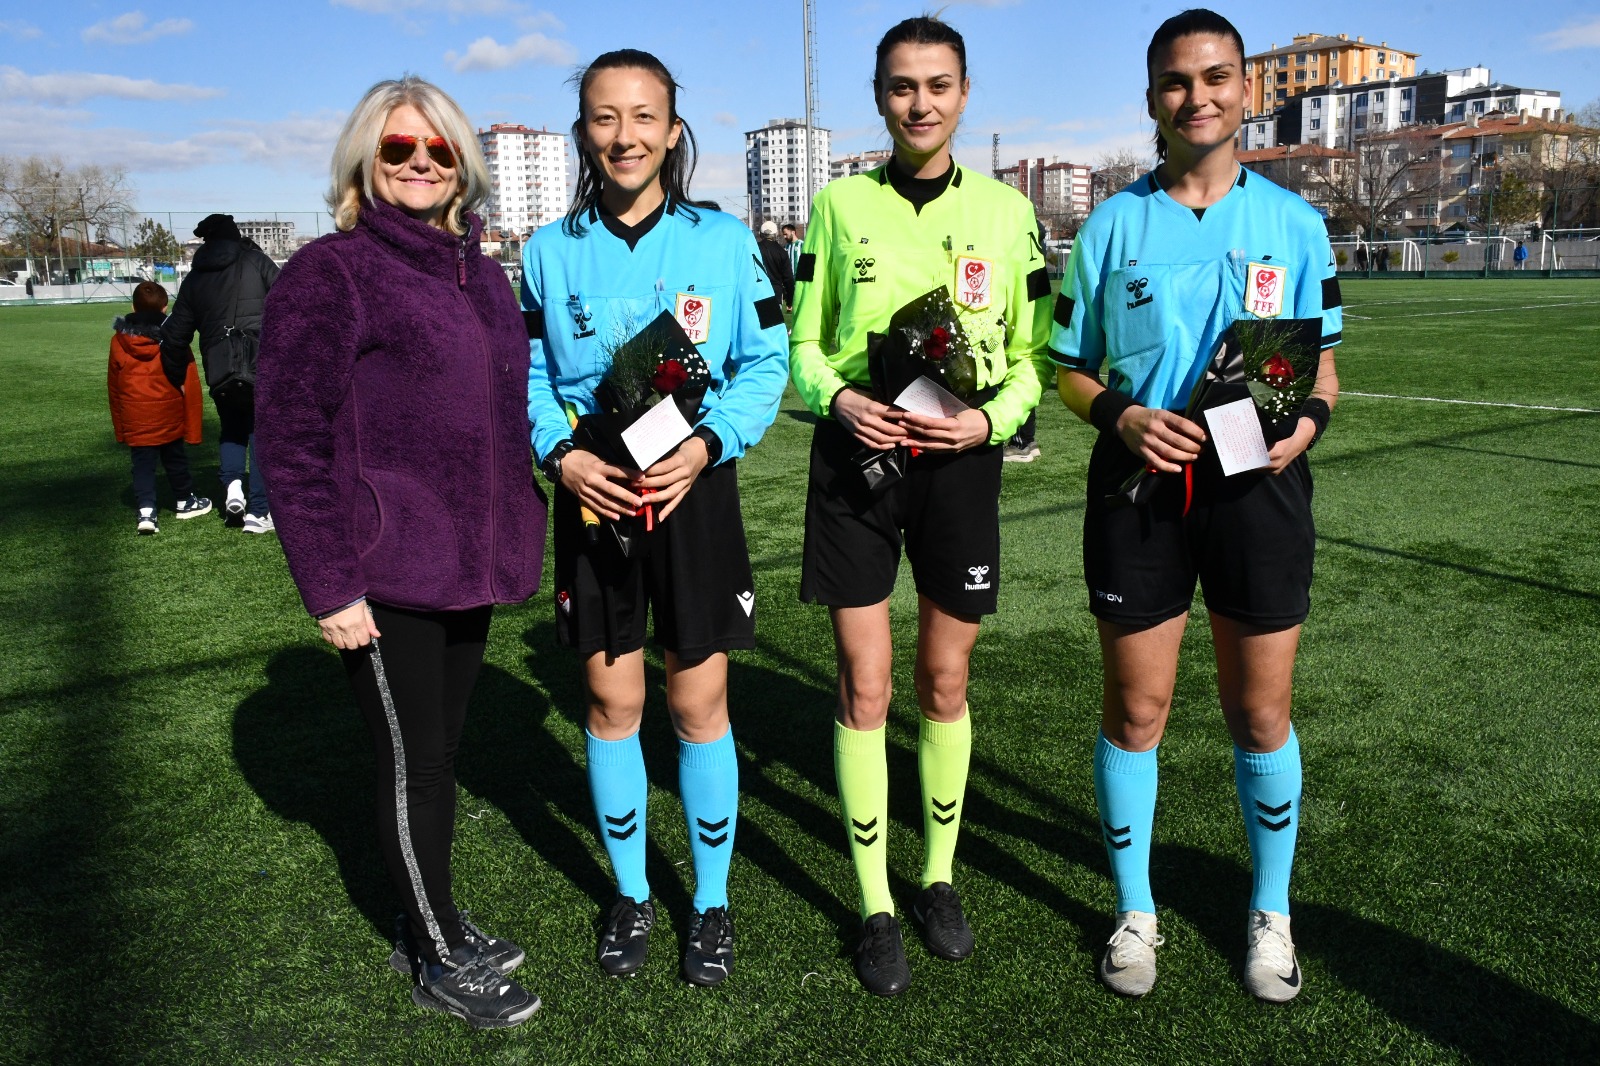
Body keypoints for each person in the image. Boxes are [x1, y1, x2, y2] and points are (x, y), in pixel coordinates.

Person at [1051, 8, 1341, 1003]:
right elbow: (1067, 369)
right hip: (1139, 493)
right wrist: (1123, 415)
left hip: (1260, 489)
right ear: (1151, 99)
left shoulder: (1296, 225)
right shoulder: (1110, 226)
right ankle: (1135, 911)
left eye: (1216, 77)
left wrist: (1306, 424)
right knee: (1138, 710)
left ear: (1246, 90)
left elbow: (1322, 369)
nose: (1197, 96)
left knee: (1259, 713)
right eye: (1176, 81)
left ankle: (1271, 913)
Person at [255, 75, 546, 1030]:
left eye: (438, 148)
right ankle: (435, 952)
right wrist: (330, 586)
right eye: (398, 148)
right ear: (365, 160)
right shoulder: (331, 272)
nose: (420, 161)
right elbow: (290, 438)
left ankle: (437, 919)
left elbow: (505, 415)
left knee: (439, 753)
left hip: (468, 567)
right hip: (385, 573)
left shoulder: (484, 276)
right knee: (412, 764)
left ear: (462, 163)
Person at [789, 15, 1054, 997]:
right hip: (856, 462)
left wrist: (990, 423)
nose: (920, 103)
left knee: (944, 681)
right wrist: (838, 399)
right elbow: (802, 344)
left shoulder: (1007, 213)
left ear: (964, 93)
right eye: (902, 86)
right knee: (866, 685)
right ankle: (875, 904)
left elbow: (1034, 357)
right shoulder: (836, 207)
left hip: (958, 463)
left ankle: (937, 878)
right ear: (879, 97)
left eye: (938, 85)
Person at [522, 48, 788, 988]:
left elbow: (764, 363)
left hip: (692, 493)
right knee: (612, 705)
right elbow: (531, 377)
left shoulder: (724, 240)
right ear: (583, 132)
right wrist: (562, 455)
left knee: (696, 705)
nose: (624, 136)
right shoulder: (547, 251)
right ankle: (633, 893)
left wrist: (710, 444)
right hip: (594, 496)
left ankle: (710, 904)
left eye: (644, 117)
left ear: (673, 132)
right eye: (605, 117)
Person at [160, 213, 279, 532]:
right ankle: (259, 511)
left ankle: (234, 489)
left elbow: (175, 335)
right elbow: (290, 302)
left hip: (219, 365)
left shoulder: (194, 278)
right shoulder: (257, 261)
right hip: (261, 361)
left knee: (232, 429)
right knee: (261, 432)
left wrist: (174, 376)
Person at [108, 281, 210, 534]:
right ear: (165, 308)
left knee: (142, 464)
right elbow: (189, 380)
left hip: (135, 414)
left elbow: (113, 385)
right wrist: (194, 428)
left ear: (133, 307)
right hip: (169, 411)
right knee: (175, 458)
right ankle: (185, 500)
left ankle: (146, 511)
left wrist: (120, 427)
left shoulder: (118, 341)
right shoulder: (174, 338)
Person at [757, 219, 795, 309]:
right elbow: (788, 279)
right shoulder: (782, 252)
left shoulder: (754, 248)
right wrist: (790, 300)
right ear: (776, 234)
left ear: (760, 234)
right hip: (775, 294)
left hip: (757, 293)